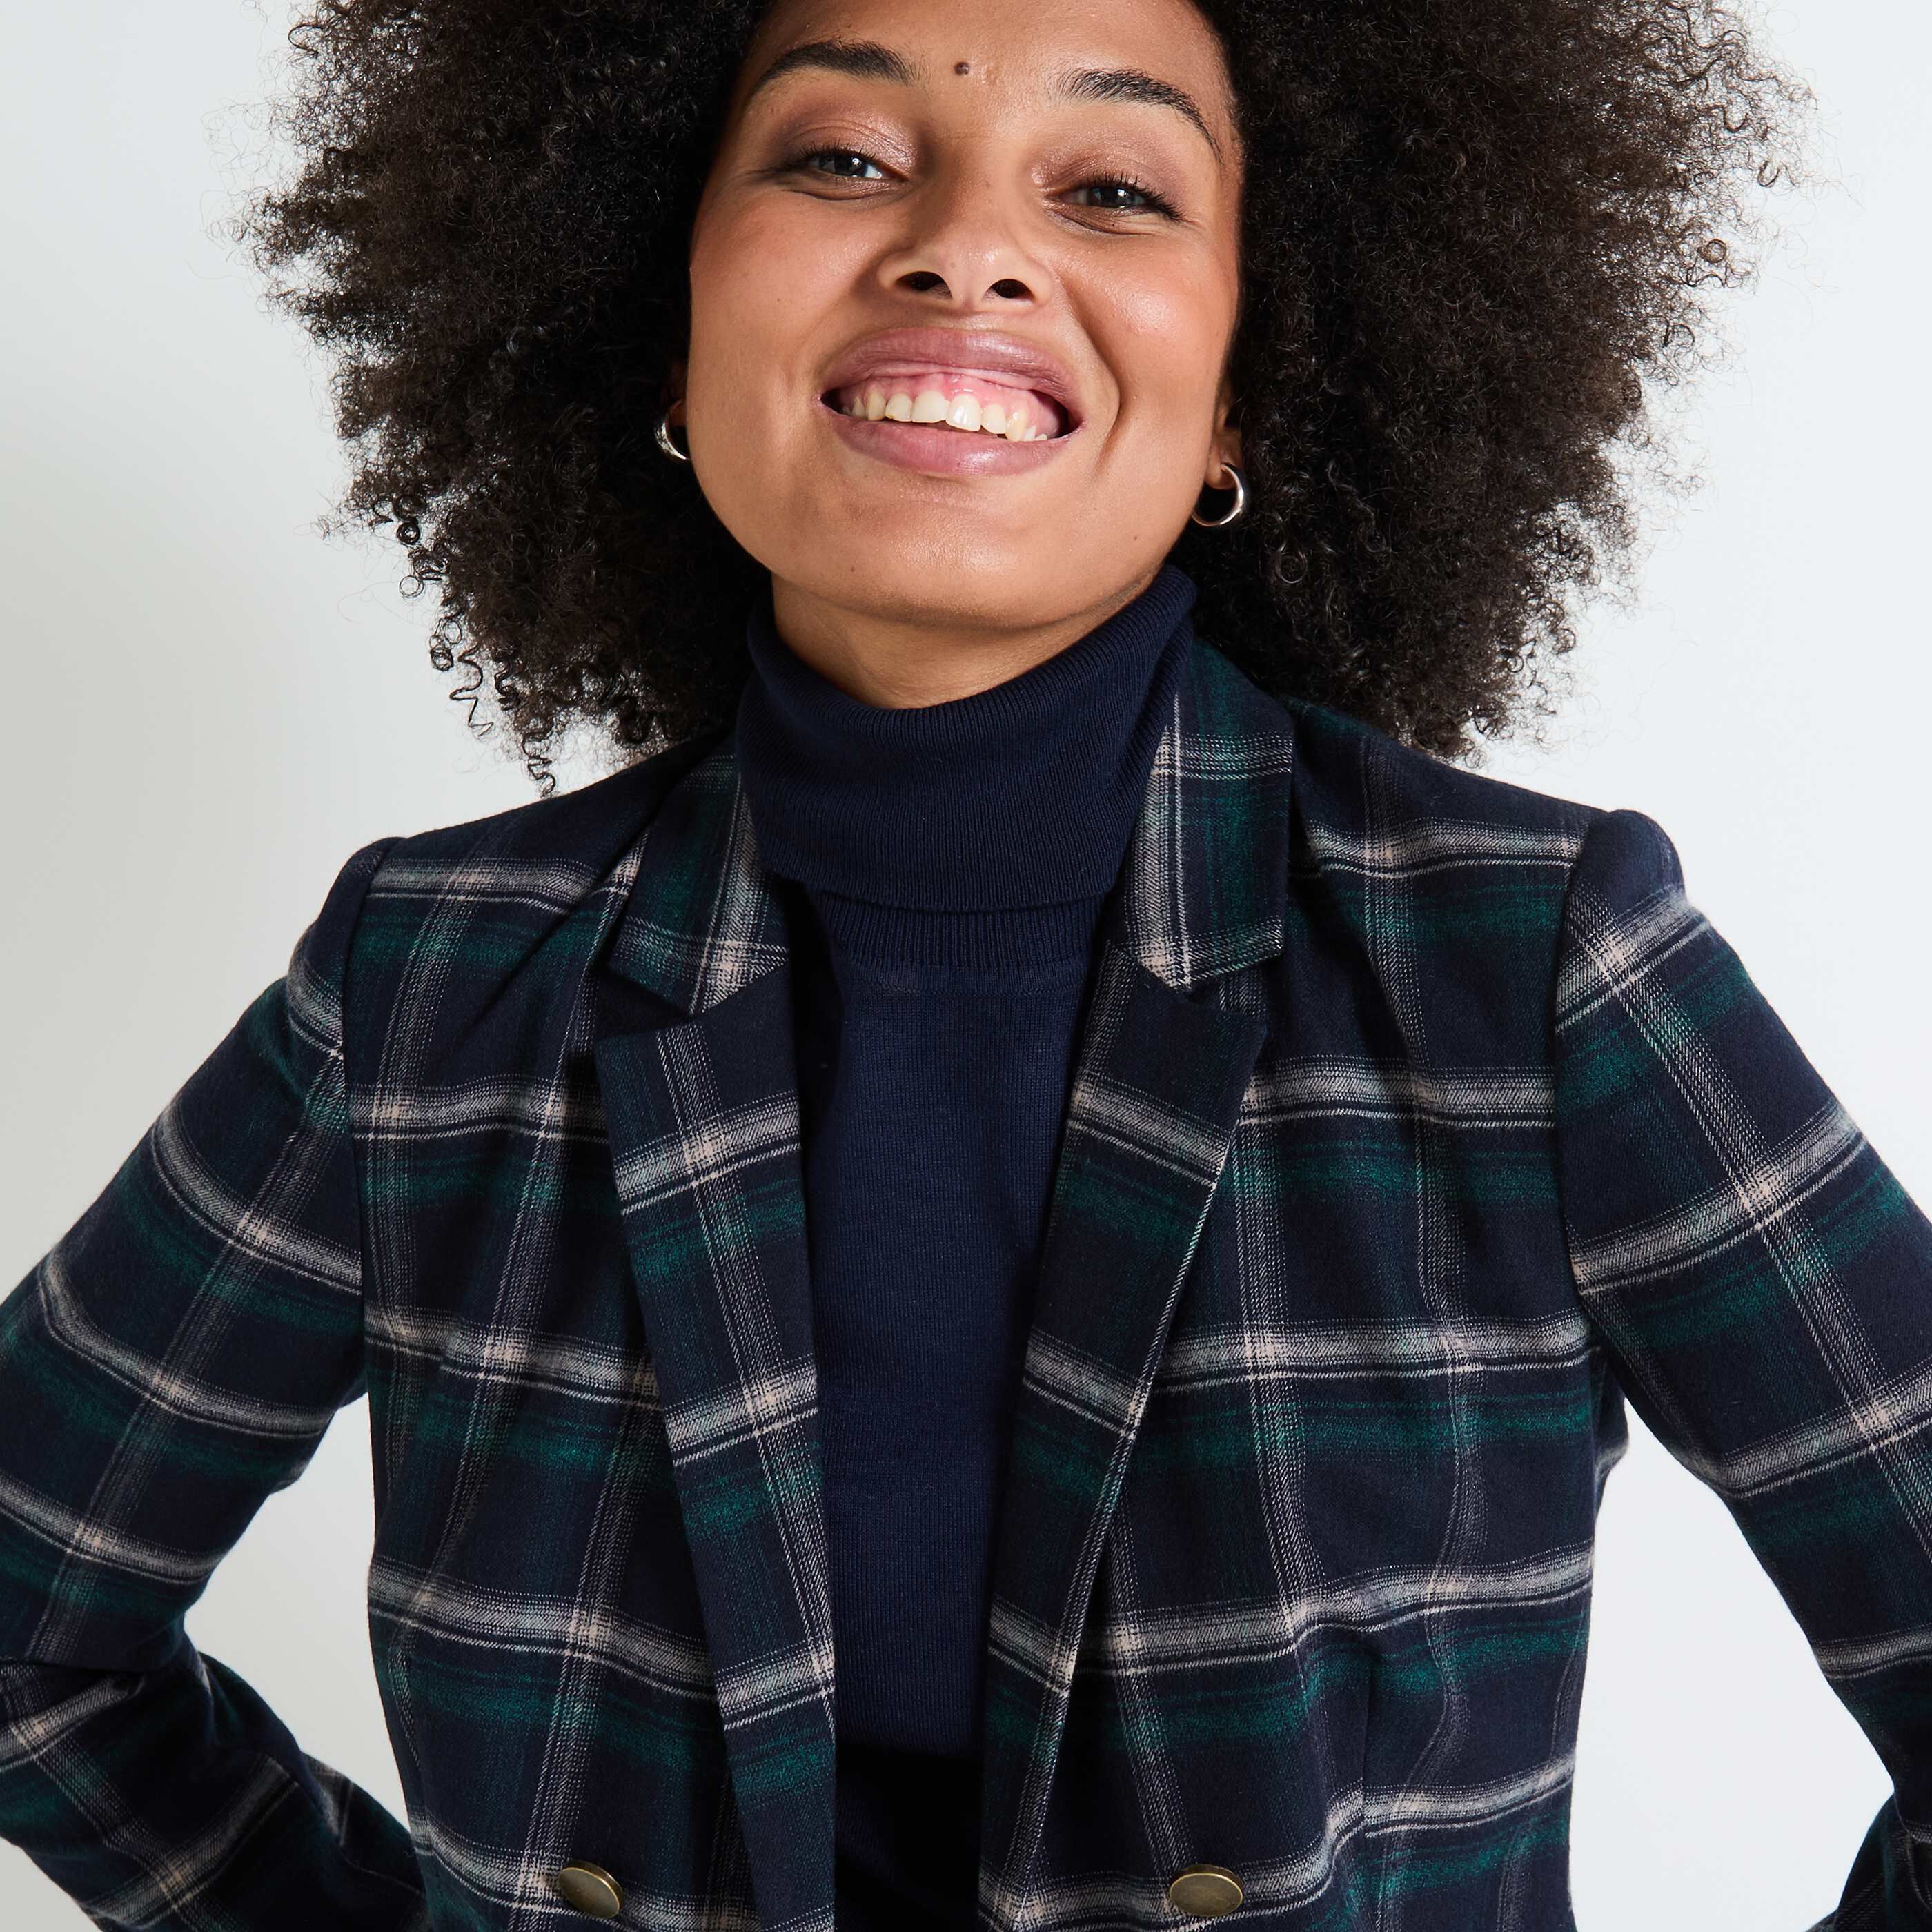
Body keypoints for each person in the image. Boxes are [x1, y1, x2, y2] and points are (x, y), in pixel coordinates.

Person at [2, 1, 1924, 1929]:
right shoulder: (431, 989)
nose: (966, 249)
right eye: (842, 158)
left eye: (1115, 189)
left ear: (1245, 389)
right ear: (669, 318)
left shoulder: (1525, 965)